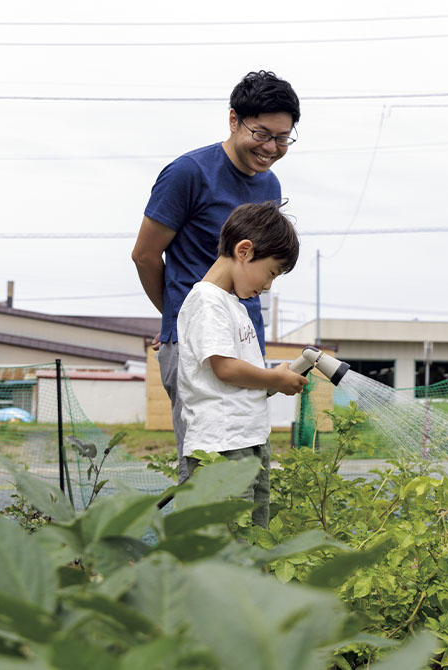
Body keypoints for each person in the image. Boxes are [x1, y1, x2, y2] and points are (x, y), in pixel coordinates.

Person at [131, 70, 300, 483]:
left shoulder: (270, 184)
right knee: (207, 467)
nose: (271, 148)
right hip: (201, 347)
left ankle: (242, 548)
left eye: (283, 138)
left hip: (246, 340)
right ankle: (199, 547)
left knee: (247, 460)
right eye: (262, 133)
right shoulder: (189, 173)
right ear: (233, 120)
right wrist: (182, 321)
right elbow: (146, 254)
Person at [177, 201, 306, 528]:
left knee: (251, 539)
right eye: (271, 273)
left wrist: (274, 380)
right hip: (223, 446)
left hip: (246, 441)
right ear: (245, 251)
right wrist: (274, 380)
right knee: (225, 546)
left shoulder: (233, 306)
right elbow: (226, 368)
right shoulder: (208, 301)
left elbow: (237, 380)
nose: (267, 286)